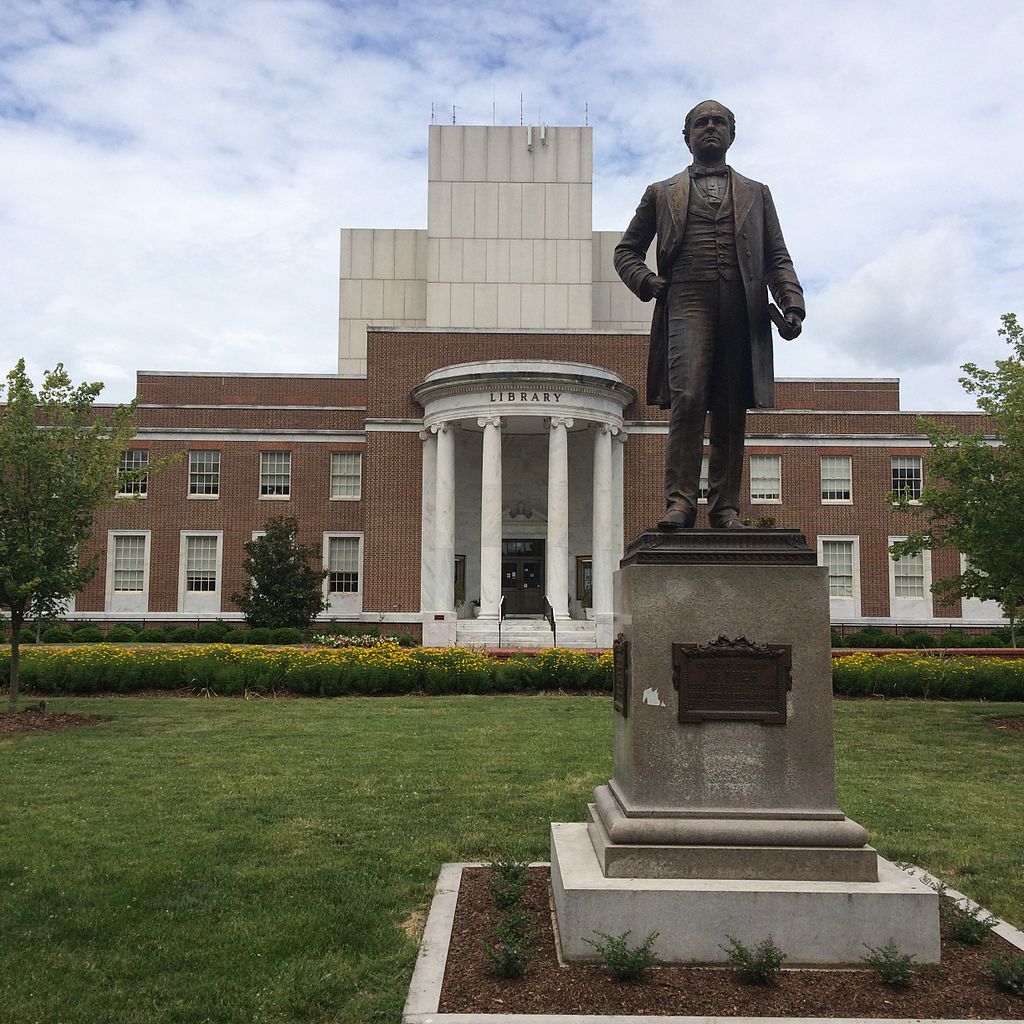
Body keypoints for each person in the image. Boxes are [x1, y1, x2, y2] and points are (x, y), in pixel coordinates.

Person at [614, 100, 805, 529]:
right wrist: (646, 281)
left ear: (732, 134)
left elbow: (777, 257)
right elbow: (626, 251)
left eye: (720, 122)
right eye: (701, 123)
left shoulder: (758, 194)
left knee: (730, 406)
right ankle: (680, 502)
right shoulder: (661, 192)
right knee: (688, 398)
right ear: (687, 137)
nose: (711, 128)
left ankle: (725, 508)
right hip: (686, 302)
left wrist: (792, 304)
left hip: (742, 306)